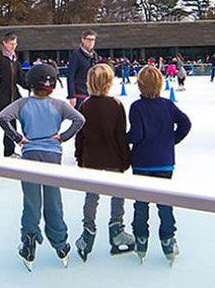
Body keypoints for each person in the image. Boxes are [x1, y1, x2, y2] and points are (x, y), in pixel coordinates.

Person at [0, 63, 85, 271]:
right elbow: (79, 119)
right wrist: (63, 137)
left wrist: (17, 137)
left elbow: (2, 118)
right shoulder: (59, 105)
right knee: (53, 199)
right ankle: (60, 243)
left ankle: (29, 241)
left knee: (32, 201)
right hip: (52, 155)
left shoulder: (22, 103)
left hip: (30, 154)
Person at [127, 65, 191, 265]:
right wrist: (170, 140)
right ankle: (168, 238)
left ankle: (141, 238)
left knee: (141, 203)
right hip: (164, 162)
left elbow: (136, 135)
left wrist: (123, 139)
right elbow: (186, 124)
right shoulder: (167, 105)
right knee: (164, 203)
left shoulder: (137, 107)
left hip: (142, 162)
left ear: (140, 85)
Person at [73, 64, 134, 262]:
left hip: (91, 159)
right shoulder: (115, 105)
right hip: (113, 157)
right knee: (118, 193)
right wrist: (125, 159)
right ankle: (116, 227)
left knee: (92, 196)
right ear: (109, 82)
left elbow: (79, 136)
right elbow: (120, 136)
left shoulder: (84, 105)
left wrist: (80, 157)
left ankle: (88, 231)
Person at [0, 32, 28, 158]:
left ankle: (9, 151)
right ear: (4, 43)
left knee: (11, 125)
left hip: (12, 97)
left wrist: (31, 84)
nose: (13, 46)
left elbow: (20, 77)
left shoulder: (14, 57)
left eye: (15, 44)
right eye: (11, 44)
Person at [67, 29, 100, 107]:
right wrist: (72, 95)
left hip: (93, 93)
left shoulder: (95, 56)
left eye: (93, 40)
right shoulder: (76, 55)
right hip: (80, 93)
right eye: (89, 39)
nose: (91, 42)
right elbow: (70, 76)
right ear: (83, 40)